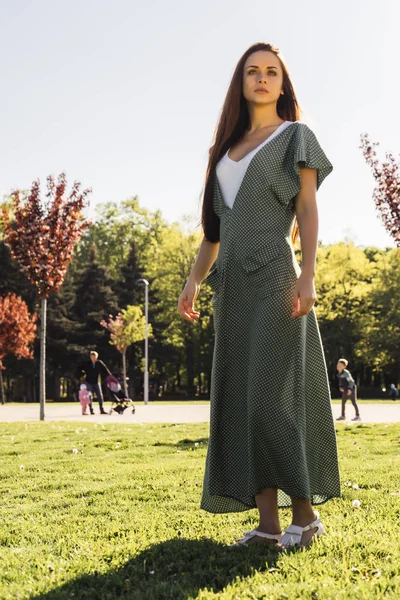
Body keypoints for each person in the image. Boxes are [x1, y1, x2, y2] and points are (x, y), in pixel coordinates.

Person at [177, 42, 341, 550]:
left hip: (276, 278)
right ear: (241, 83)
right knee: (243, 402)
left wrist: (308, 274)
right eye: (253, 72)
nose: (262, 79)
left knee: (273, 399)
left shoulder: (296, 137)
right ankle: (270, 526)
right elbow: (213, 231)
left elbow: (308, 211)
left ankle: (306, 518)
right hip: (232, 289)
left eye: (272, 72)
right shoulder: (222, 152)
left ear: (283, 84)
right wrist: (193, 280)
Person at [77, 351, 111, 415]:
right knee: (89, 396)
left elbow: (105, 370)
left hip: (96, 382)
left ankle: (102, 409)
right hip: (88, 382)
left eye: (94, 357)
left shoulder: (99, 363)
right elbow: (79, 369)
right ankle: (91, 410)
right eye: (92, 357)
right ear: (90, 357)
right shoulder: (87, 364)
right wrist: (82, 375)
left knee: (100, 396)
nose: (93, 358)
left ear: (96, 357)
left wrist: (110, 377)